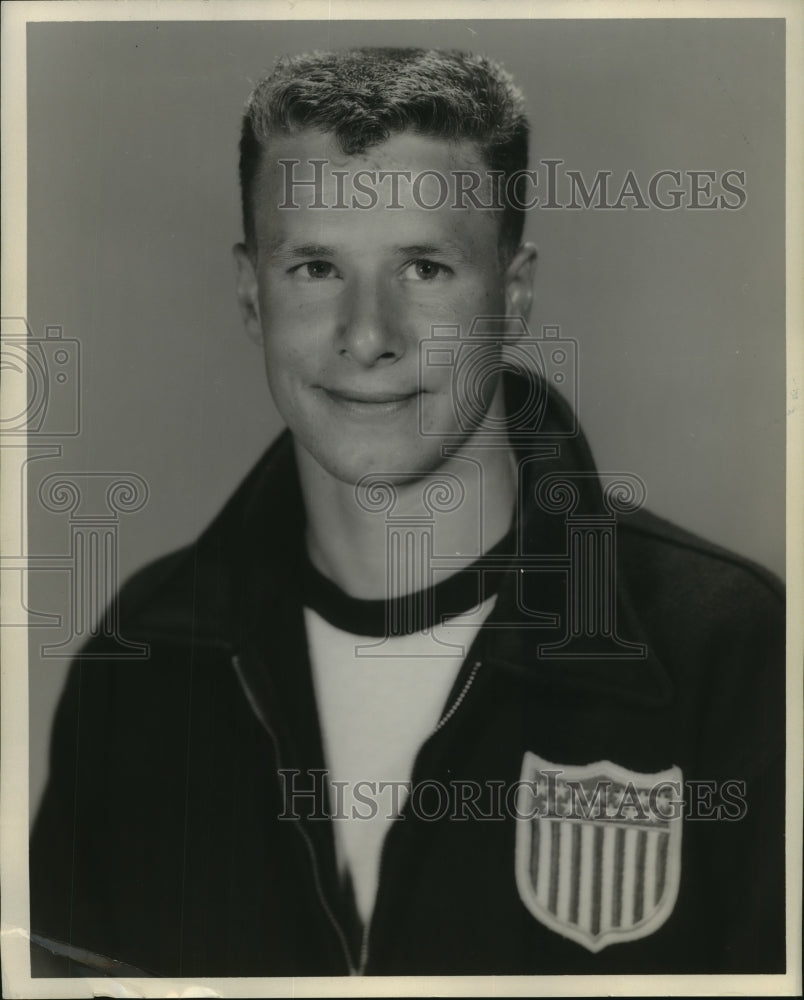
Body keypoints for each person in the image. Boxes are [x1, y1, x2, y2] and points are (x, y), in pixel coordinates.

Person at [29, 47, 785, 979]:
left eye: (424, 269)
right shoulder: (140, 668)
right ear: (248, 295)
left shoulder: (736, 656)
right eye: (314, 267)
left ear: (513, 294)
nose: (369, 336)